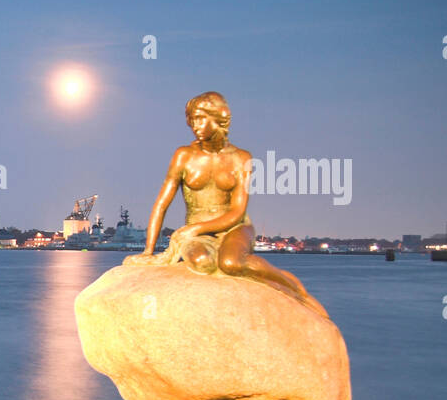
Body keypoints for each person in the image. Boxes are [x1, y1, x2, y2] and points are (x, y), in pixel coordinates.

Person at [125, 91, 328, 317]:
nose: (196, 125)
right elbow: (161, 204)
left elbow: (237, 211)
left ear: (219, 118)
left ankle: (294, 289)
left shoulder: (241, 158)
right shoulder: (184, 156)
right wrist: (148, 251)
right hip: (199, 233)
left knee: (231, 263)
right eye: (192, 119)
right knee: (202, 262)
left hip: (234, 227)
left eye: (202, 118)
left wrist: (193, 229)